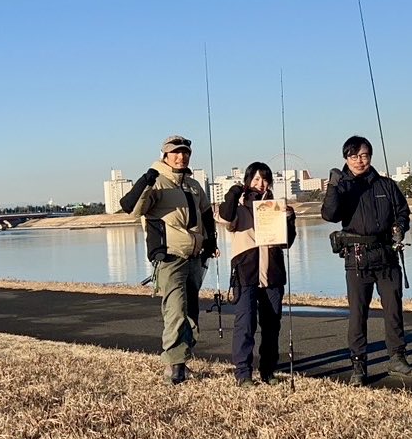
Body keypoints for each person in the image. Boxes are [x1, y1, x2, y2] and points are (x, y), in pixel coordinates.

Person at [321, 134, 412, 385]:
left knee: (394, 311)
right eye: (353, 156)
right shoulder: (342, 186)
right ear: (346, 158)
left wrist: (399, 226)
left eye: (364, 155)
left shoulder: (386, 185)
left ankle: (397, 358)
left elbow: (403, 211)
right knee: (357, 314)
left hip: (386, 254)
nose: (359, 160)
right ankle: (358, 366)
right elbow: (329, 215)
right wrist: (333, 187)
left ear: (370, 156)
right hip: (357, 257)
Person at [120, 134, 217, 384]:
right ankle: (174, 369)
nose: (181, 156)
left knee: (191, 312)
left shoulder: (193, 185)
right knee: (175, 311)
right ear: (165, 155)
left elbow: (206, 214)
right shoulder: (158, 183)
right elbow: (131, 207)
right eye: (175, 152)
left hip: (195, 257)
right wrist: (146, 179)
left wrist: (211, 242)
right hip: (171, 258)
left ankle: (182, 360)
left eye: (185, 152)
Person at [217, 162, 297, 386]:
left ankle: (268, 370)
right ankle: (243, 373)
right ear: (247, 181)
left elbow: (286, 242)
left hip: (273, 274)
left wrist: (290, 219)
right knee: (246, 324)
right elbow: (225, 217)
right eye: (255, 179)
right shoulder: (238, 209)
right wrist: (234, 192)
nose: (260, 184)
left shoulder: (276, 207)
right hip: (245, 273)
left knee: (272, 324)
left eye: (264, 179)